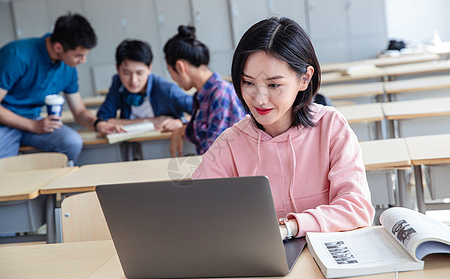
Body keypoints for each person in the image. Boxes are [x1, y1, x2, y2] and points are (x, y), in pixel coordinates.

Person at [192, 17, 375, 239]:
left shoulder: (330, 127)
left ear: (304, 78)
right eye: (248, 83)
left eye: (274, 85)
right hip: (262, 264)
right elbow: (197, 210)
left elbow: (357, 208)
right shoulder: (231, 142)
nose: (259, 99)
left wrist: (290, 227)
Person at [0, 13, 120, 164]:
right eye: (79, 55)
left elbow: (79, 112)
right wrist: (33, 125)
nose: (83, 61)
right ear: (58, 47)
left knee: (72, 142)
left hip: (34, 120)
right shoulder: (16, 55)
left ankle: (54, 186)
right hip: (5, 124)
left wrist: (97, 124)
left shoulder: (68, 67)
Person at [163, 25, 245, 156]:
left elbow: (214, 153)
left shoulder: (220, 94)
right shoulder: (203, 96)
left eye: (170, 71)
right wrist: (181, 128)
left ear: (180, 67)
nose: (173, 78)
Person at [95, 39, 193, 133]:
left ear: (149, 68)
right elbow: (104, 119)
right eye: (126, 73)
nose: (133, 80)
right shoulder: (118, 84)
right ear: (117, 69)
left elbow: (202, 111)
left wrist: (180, 122)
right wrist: (152, 121)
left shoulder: (166, 89)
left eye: (139, 73)